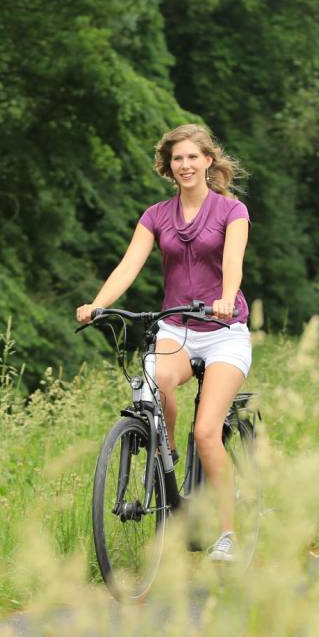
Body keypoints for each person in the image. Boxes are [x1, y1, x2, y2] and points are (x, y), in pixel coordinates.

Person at [76, 123, 251, 562]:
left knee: (208, 430)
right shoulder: (155, 215)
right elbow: (127, 266)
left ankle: (228, 534)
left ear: (208, 161)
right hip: (176, 327)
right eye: (178, 159)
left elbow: (233, 264)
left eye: (193, 157)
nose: (186, 165)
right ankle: (166, 455)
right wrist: (97, 304)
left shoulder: (232, 211)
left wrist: (226, 299)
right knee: (153, 381)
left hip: (224, 331)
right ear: (168, 166)